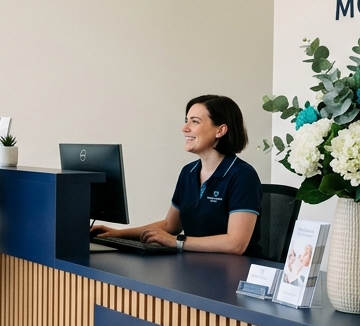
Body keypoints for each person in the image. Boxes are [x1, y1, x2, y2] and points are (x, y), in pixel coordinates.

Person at [93, 95, 264, 257]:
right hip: (196, 266)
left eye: (195, 121)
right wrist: (117, 234)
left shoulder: (242, 176)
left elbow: (236, 244)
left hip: (234, 273)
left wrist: (177, 242)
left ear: (220, 130)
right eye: (186, 121)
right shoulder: (188, 172)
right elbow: (170, 226)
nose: (185, 128)